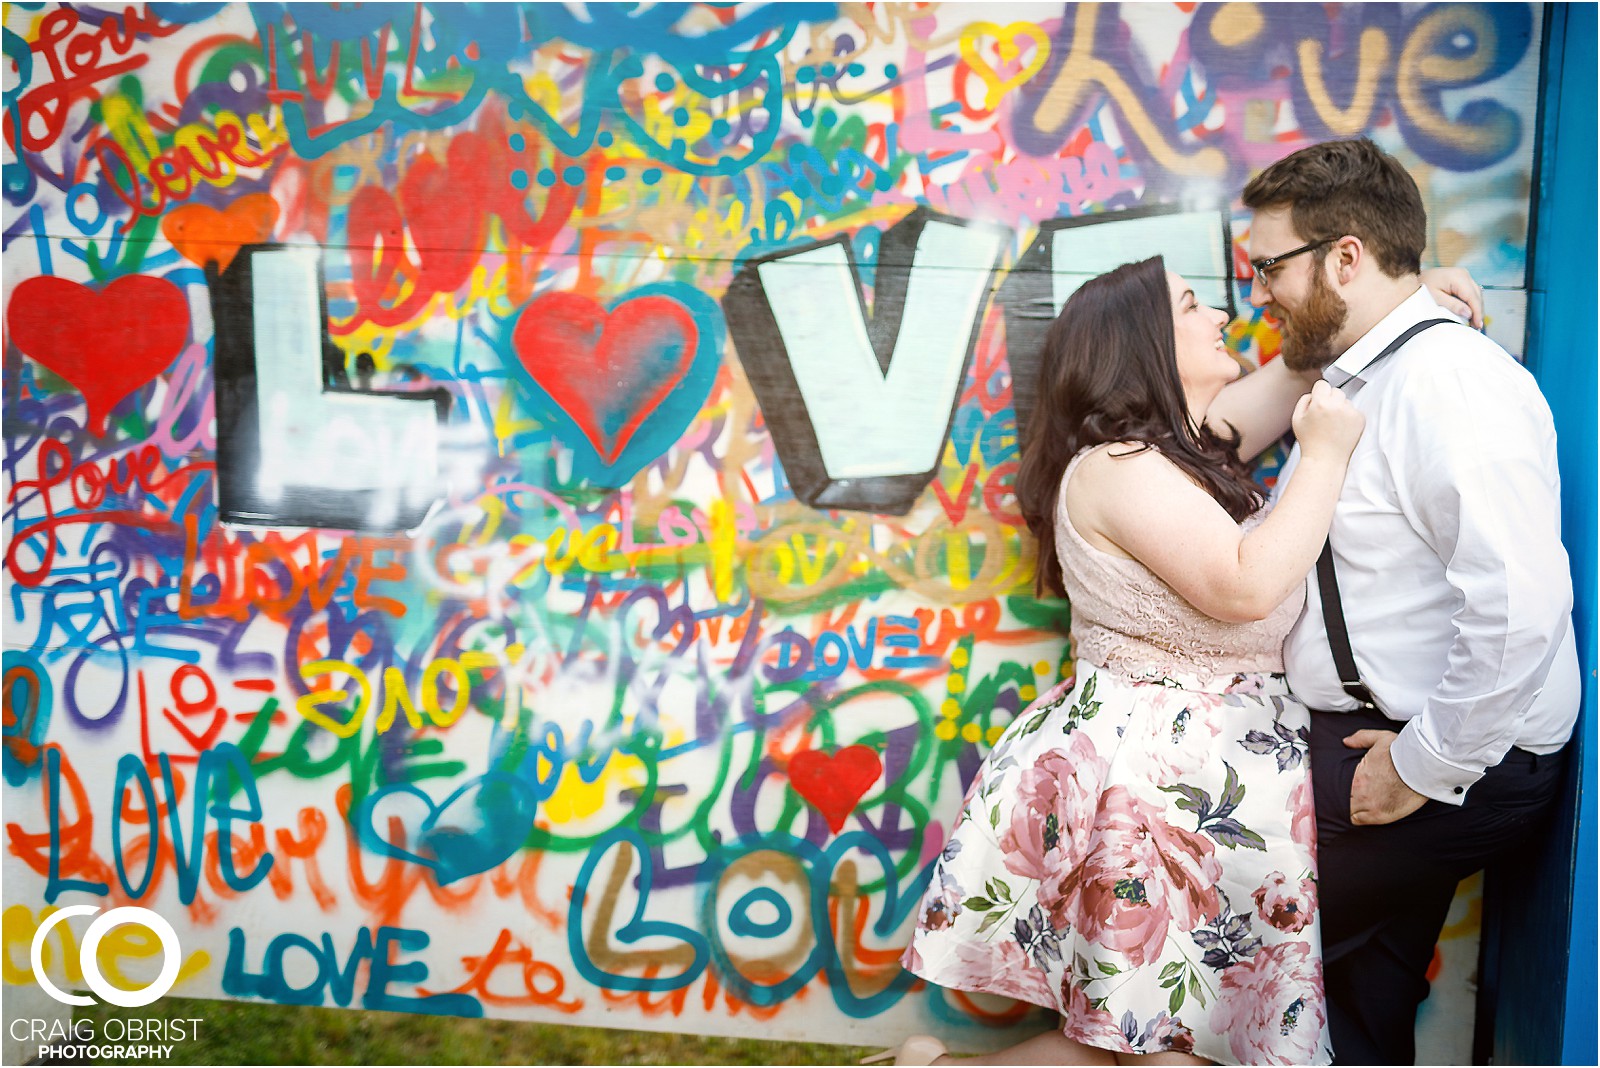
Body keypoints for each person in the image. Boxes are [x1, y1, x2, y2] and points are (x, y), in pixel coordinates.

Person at [879, 253, 1363, 1067]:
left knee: (1164, 1047)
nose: (1221, 316)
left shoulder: (1175, 455)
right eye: (1191, 305)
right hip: (1155, 789)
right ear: (1143, 345)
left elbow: (1288, 376)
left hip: (1199, 779)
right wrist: (1324, 455)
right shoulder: (1120, 469)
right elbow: (1243, 585)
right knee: (1163, 1047)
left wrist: (1410, 302)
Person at [1240, 138, 1580, 1065]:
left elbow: (1518, 604)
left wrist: (1423, 765)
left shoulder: (1450, 384)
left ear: (1346, 257)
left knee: (1212, 947)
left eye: (1269, 265)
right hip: (1381, 736)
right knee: (1358, 1004)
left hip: (1440, 759)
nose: (1259, 291)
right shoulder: (1373, 375)